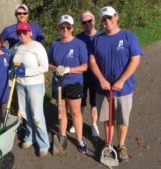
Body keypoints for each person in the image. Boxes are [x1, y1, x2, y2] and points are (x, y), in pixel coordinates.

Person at [89, 6, 142, 162]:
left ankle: (121, 145)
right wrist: (101, 80)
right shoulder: (97, 40)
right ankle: (109, 143)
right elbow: (92, 61)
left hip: (123, 89)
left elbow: (135, 59)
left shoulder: (128, 36)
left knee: (122, 119)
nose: (107, 21)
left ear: (116, 17)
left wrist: (121, 80)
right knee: (107, 119)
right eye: (104, 19)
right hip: (103, 89)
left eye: (110, 17)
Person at [48, 15, 88, 153]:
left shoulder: (79, 44)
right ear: (59, 28)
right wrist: (55, 69)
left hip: (74, 83)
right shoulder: (54, 44)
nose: (65, 29)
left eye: (68, 27)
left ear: (72, 28)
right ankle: (62, 136)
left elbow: (85, 66)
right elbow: (49, 64)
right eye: (62, 27)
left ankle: (80, 139)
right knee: (62, 112)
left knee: (76, 113)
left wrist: (68, 70)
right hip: (58, 84)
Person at [12, 22, 50, 157]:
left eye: (24, 32)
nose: (22, 35)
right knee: (25, 113)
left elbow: (44, 67)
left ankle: (44, 144)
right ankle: (30, 137)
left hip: (35, 85)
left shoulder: (37, 46)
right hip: (20, 85)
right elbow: (14, 64)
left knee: (37, 116)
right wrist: (13, 76)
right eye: (19, 33)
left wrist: (26, 71)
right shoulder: (17, 47)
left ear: (30, 32)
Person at [69, 11, 100, 137]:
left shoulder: (101, 37)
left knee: (94, 102)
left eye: (89, 21)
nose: (87, 24)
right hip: (80, 76)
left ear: (94, 21)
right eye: (84, 22)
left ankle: (94, 124)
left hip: (96, 76)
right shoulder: (78, 38)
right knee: (79, 101)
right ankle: (78, 122)